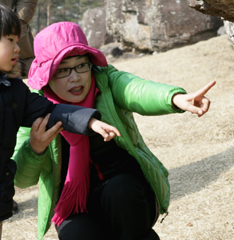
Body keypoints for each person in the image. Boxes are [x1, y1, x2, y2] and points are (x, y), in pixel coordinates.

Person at [0, 1, 120, 240]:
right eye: (11, 40)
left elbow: (48, 111)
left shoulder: (11, 88)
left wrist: (89, 122)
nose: (18, 48)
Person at [12, 22, 215, 240]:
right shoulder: (35, 107)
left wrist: (174, 98)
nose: (75, 77)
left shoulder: (106, 80)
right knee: (76, 235)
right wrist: (35, 148)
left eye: (82, 65)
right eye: (63, 70)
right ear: (47, 76)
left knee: (120, 192)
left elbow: (137, 90)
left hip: (128, 192)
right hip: (75, 204)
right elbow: (21, 180)